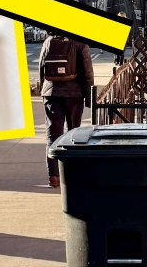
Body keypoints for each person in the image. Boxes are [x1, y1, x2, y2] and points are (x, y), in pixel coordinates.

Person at [39, 33, 94, 189]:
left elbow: (42, 67)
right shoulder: (80, 42)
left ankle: (53, 176)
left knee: (52, 132)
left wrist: (45, 89)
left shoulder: (49, 40)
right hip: (74, 94)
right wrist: (89, 97)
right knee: (73, 132)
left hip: (51, 92)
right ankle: (72, 172)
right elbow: (87, 72)